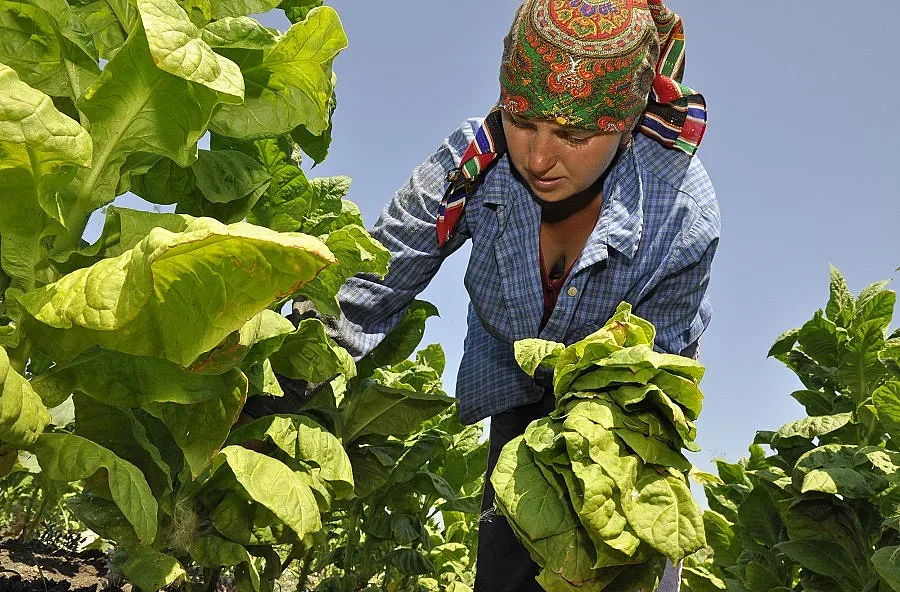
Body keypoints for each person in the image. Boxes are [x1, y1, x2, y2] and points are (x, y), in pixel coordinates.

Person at [306, 0, 718, 589]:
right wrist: (293, 363)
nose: (539, 156)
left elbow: (648, 383)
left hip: (624, 426)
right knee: (506, 571)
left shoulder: (681, 209)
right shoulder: (477, 161)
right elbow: (375, 276)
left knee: (617, 567)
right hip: (516, 398)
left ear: (625, 124)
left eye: (574, 134)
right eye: (523, 121)